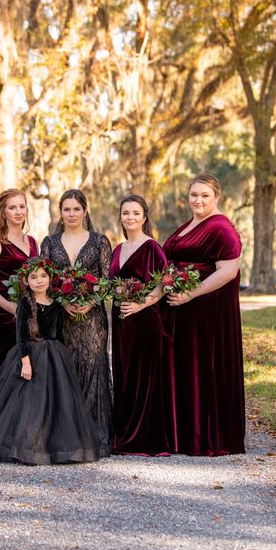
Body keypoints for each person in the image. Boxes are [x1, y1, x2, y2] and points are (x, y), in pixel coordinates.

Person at [0, 257, 105, 465]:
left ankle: (50, 445)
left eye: (44, 276)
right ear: (27, 281)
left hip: (54, 355)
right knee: (30, 401)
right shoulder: (25, 303)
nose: (39, 281)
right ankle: (27, 445)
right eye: (34, 277)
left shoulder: (56, 304)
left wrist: (63, 359)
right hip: (30, 354)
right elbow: (20, 336)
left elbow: (59, 334)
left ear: (50, 279)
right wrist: (25, 362)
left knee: (55, 401)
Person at [163, 173, 245, 456]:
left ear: (217, 197)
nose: (197, 200)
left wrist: (191, 293)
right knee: (185, 368)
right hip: (185, 312)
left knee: (203, 367)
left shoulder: (222, 228)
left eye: (204, 196)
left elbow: (228, 271)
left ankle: (205, 436)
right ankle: (183, 433)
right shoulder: (192, 223)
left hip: (207, 314)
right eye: (193, 195)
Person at [40, 189, 113, 449]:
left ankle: (94, 435)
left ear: (84, 211)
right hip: (61, 318)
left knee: (93, 367)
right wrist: (62, 302)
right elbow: (43, 281)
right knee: (66, 370)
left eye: (76, 209)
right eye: (66, 209)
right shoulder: (49, 242)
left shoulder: (99, 241)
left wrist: (91, 301)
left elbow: (107, 280)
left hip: (92, 318)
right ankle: (67, 436)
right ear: (60, 212)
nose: (71, 214)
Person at [109, 194, 171, 456]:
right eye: (126, 213)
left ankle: (145, 438)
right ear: (121, 217)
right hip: (121, 321)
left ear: (144, 217)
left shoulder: (153, 247)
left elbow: (164, 284)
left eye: (136, 213)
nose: (130, 218)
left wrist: (141, 304)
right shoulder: (118, 249)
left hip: (145, 320)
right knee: (124, 375)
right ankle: (123, 436)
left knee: (144, 377)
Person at [0, 189, 38, 370]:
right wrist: (9, 306)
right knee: (10, 361)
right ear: (3, 212)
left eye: (22, 206)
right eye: (12, 208)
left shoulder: (32, 241)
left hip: (29, 310)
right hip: (4, 315)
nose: (18, 212)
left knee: (28, 363)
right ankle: (1, 398)